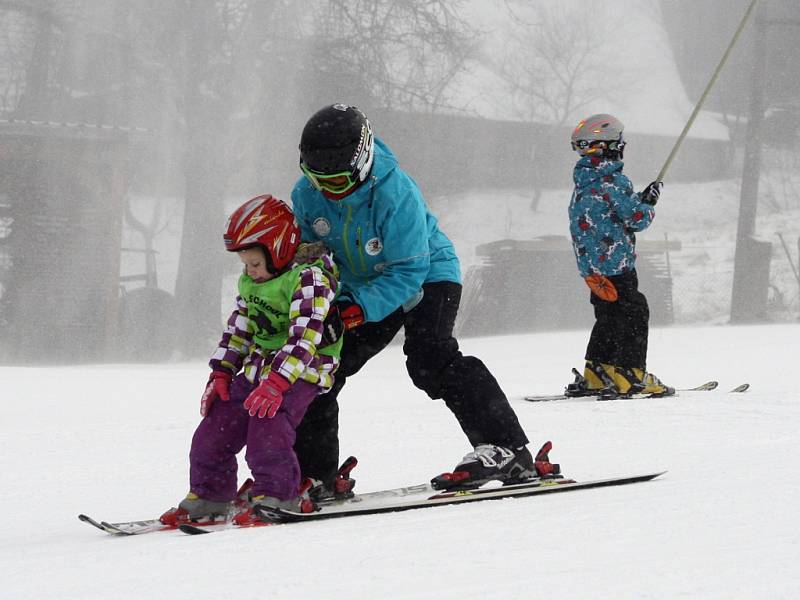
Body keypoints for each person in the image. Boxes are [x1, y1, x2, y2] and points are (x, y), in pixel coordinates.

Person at [290, 103, 557, 497]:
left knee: (431, 358)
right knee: (320, 369)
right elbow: (312, 255)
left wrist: (355, 311)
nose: (330, 190)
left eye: (341, 181)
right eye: (320, 181)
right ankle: (315, 474)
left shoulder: (396, 193)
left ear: (362, 161)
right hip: (361, 287)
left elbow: (408, 271)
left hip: (427, 274)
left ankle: (506, 448)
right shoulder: (306, 196)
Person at [160, 194, 343, 525]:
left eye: (255, 263)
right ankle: (209, 495)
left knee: (267, 426)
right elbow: (239, 330)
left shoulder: (309, 279)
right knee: (215, 428)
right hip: (260, 369)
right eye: (245, 265)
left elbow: (305, 336)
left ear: (280, 250)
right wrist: (221, 373)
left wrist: (276, 383)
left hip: (302, 370)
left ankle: (279, 494)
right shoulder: (252, 283)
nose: (250, 272)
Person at [565, 113, 673, 400]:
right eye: (619, 142)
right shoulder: (613, 180)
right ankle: (630, 373)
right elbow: (636, 218)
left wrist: (639, 198)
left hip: (592, 269)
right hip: (615, 266)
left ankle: (598, 371)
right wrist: (648, 202)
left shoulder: (585, 181)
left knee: (609, 317)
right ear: (608, 146)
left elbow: (610, 212)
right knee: (634, 312)